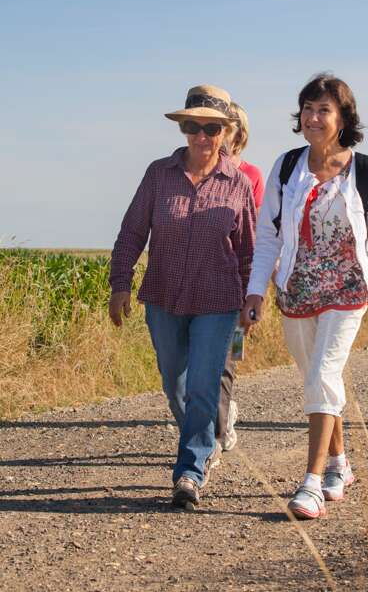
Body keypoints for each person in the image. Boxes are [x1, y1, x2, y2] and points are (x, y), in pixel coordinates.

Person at [241, 74, 368, 520]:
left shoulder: (365, 172)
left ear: (343, 118)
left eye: (324, 110)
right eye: (308, 109)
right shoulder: (286, 166)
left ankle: (311, 483)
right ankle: (339, 463)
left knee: (323, 372)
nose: (314, 118)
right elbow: (267, 238)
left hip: (347, 289)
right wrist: (256, 290)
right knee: (318, 381)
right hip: (297, 290)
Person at [109, 85, 256, 509]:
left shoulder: (238, 184)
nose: (202, 136)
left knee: (205, 386)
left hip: (219, 300)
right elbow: (133, 230)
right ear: (184, 129)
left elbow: (247, 248)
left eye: (211, 128)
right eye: (193, 126)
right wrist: (120, 283)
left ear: (226, 131)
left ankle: (190, 471)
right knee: (175, 381)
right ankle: (202, 436)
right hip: (163, 297)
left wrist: (251, 298)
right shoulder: (159, 174)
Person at [214, 102, 265, 452]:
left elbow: (256, 233)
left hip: (238, 282)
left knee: (229, 356)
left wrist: (256, 289)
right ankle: (211, 417)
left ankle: (220, 422)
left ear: (238, 134)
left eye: (224, 128)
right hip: (199, 282)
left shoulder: (251, 175)